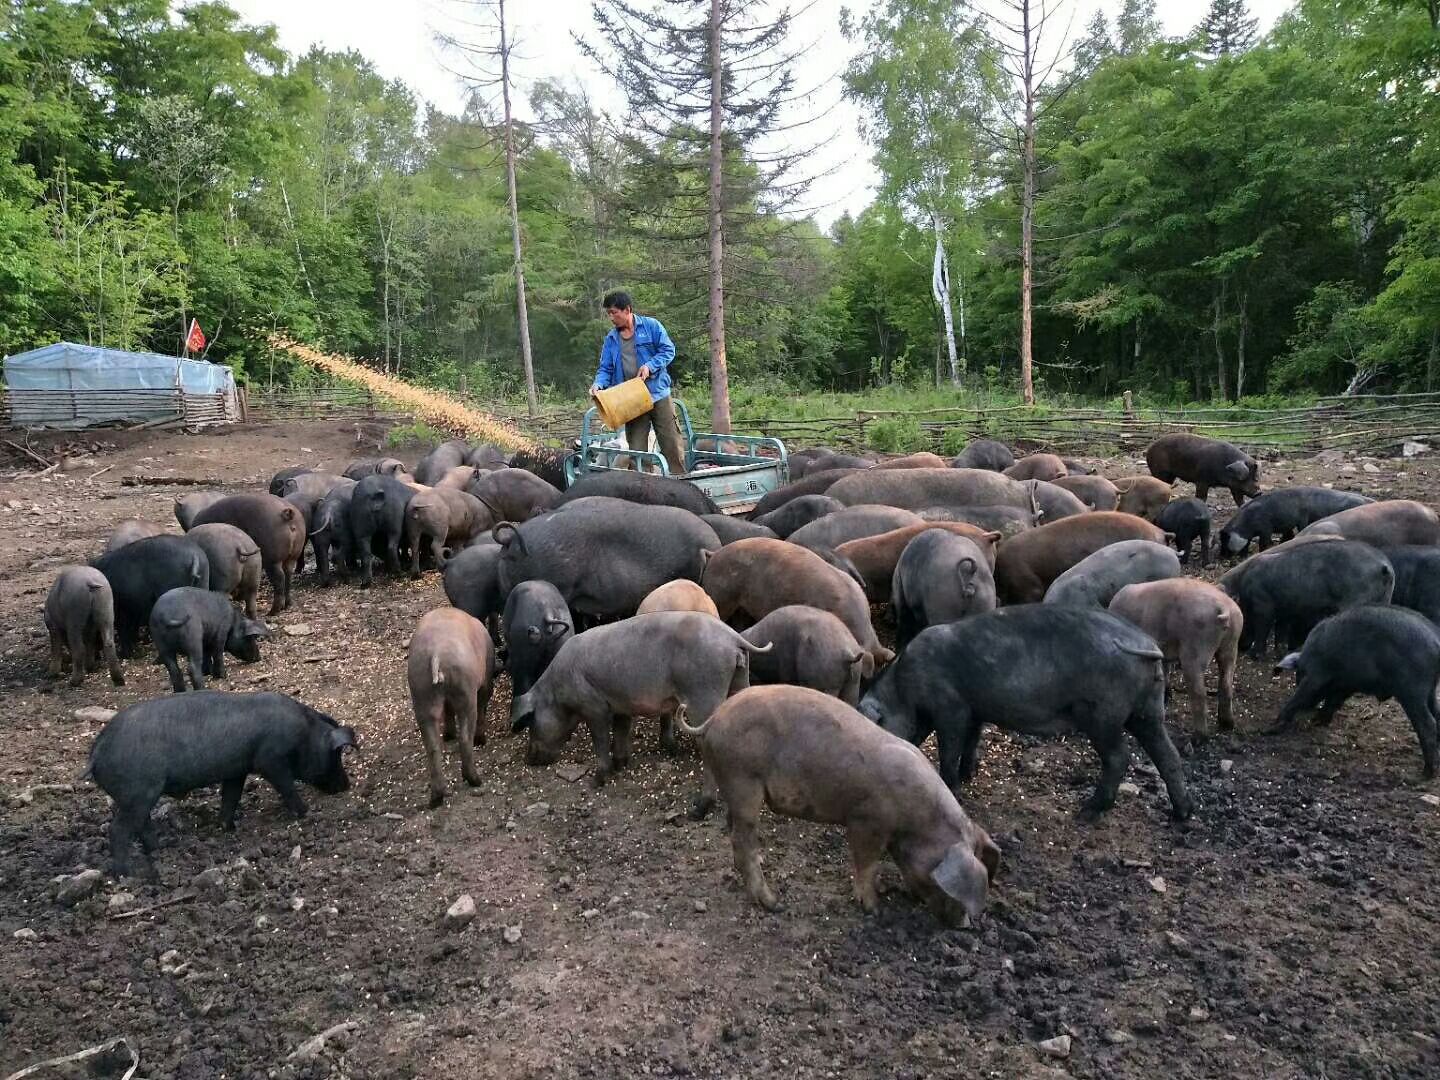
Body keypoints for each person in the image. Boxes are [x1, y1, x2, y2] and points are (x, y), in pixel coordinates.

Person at [590, 290, 687, 476]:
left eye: (614, 312)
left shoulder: (651, 326)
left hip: (657, 393)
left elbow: (668, 350)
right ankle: (643, 486)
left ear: (627, 310)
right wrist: (598, 384)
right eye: (608, 313)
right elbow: (605, 369)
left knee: (671, 443)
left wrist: (650, 366)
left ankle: (679, 480)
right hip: (631, 399)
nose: (611, 317)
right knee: (636, 449)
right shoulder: (611, 339)